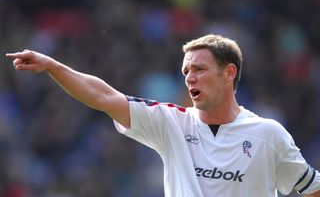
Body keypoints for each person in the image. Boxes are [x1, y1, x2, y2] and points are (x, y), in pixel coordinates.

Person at [5, 34, 320, 197]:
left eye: (199, 69)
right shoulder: (171, 122)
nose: (189, 78)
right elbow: (103, 96)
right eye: (186, 71)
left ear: (229, 73)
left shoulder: (268, 134)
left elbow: (312, 188)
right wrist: (54, 66)